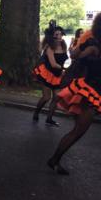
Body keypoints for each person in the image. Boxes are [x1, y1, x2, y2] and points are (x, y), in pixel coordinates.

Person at [47, 13, 101, 175]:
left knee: (78, 130)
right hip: (88, 91)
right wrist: (87, 49)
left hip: (93, 90)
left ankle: (55, 160)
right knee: (78, 131)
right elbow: (74, 56)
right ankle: (54, 160)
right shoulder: (93, 44)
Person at [32, 21, 68, 126]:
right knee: (46, 97)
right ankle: (36, 112)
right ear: (52, 36)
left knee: (56, 98)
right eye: (57, 34)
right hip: (47, 74)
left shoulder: (64, 46)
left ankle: (49, 118)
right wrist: (63, 69)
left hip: (58, 75)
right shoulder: (49, 48)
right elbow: (53, 64)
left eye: (61, 34)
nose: (59, 36)